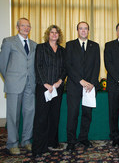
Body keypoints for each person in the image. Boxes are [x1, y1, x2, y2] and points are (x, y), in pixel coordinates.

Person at [0, 18, 37, 155]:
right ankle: (12, 144)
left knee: (29, 114)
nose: (26, 28)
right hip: (14, 85)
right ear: (17, 27)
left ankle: (26, 141)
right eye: (23, 25)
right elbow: (3, 64)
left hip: (30, 85)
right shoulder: (8, 42)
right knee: (13, 116)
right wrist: (10, 79)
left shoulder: (34, 44)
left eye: (28, 26)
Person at [32, 25, 67, 157]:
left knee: (54, 116)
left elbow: (65, 69)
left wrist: (59, 81)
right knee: (41, 118)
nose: (54, 34)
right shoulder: (41, 47)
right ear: (48, 34)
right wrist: (45, 83)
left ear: (59, 35)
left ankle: (52, 142)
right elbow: (38, 66)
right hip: (43, 87)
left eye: (56, 33)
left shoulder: (63, 51)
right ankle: (39, 147)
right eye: (51, 32)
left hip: (57, 88)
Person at [65, 21, 100, 151]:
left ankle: (83, 138)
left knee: (87, 114)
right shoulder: (70, 45)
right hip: (74, 86)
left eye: (86, 28)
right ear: (77, 30)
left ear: (88, 31)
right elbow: (68, 66)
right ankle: (71, 141)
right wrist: (80, 81)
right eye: (81, 28)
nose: (83, 31)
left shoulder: (95, 46)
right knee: (73, 114)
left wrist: (91, 83)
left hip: (89, 87)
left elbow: (97, 66)